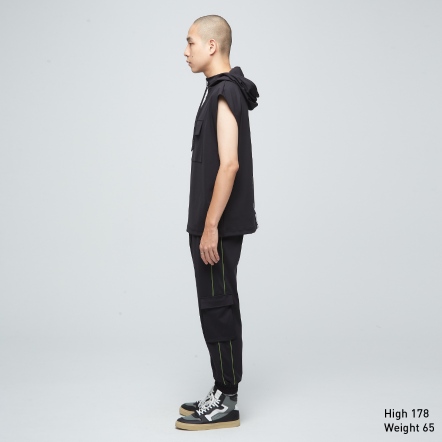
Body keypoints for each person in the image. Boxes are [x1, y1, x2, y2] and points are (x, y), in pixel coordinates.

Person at [175, 14, 259, 431]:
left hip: (218, 227)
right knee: (218, 304)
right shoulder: (218, 90)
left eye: (191, 42)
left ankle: (227, 399)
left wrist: (210, 227)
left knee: (218, 307)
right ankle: (221, 388)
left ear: (212, 46)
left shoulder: (225, 91)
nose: (185, 51)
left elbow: (229, 165)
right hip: (212, 224)